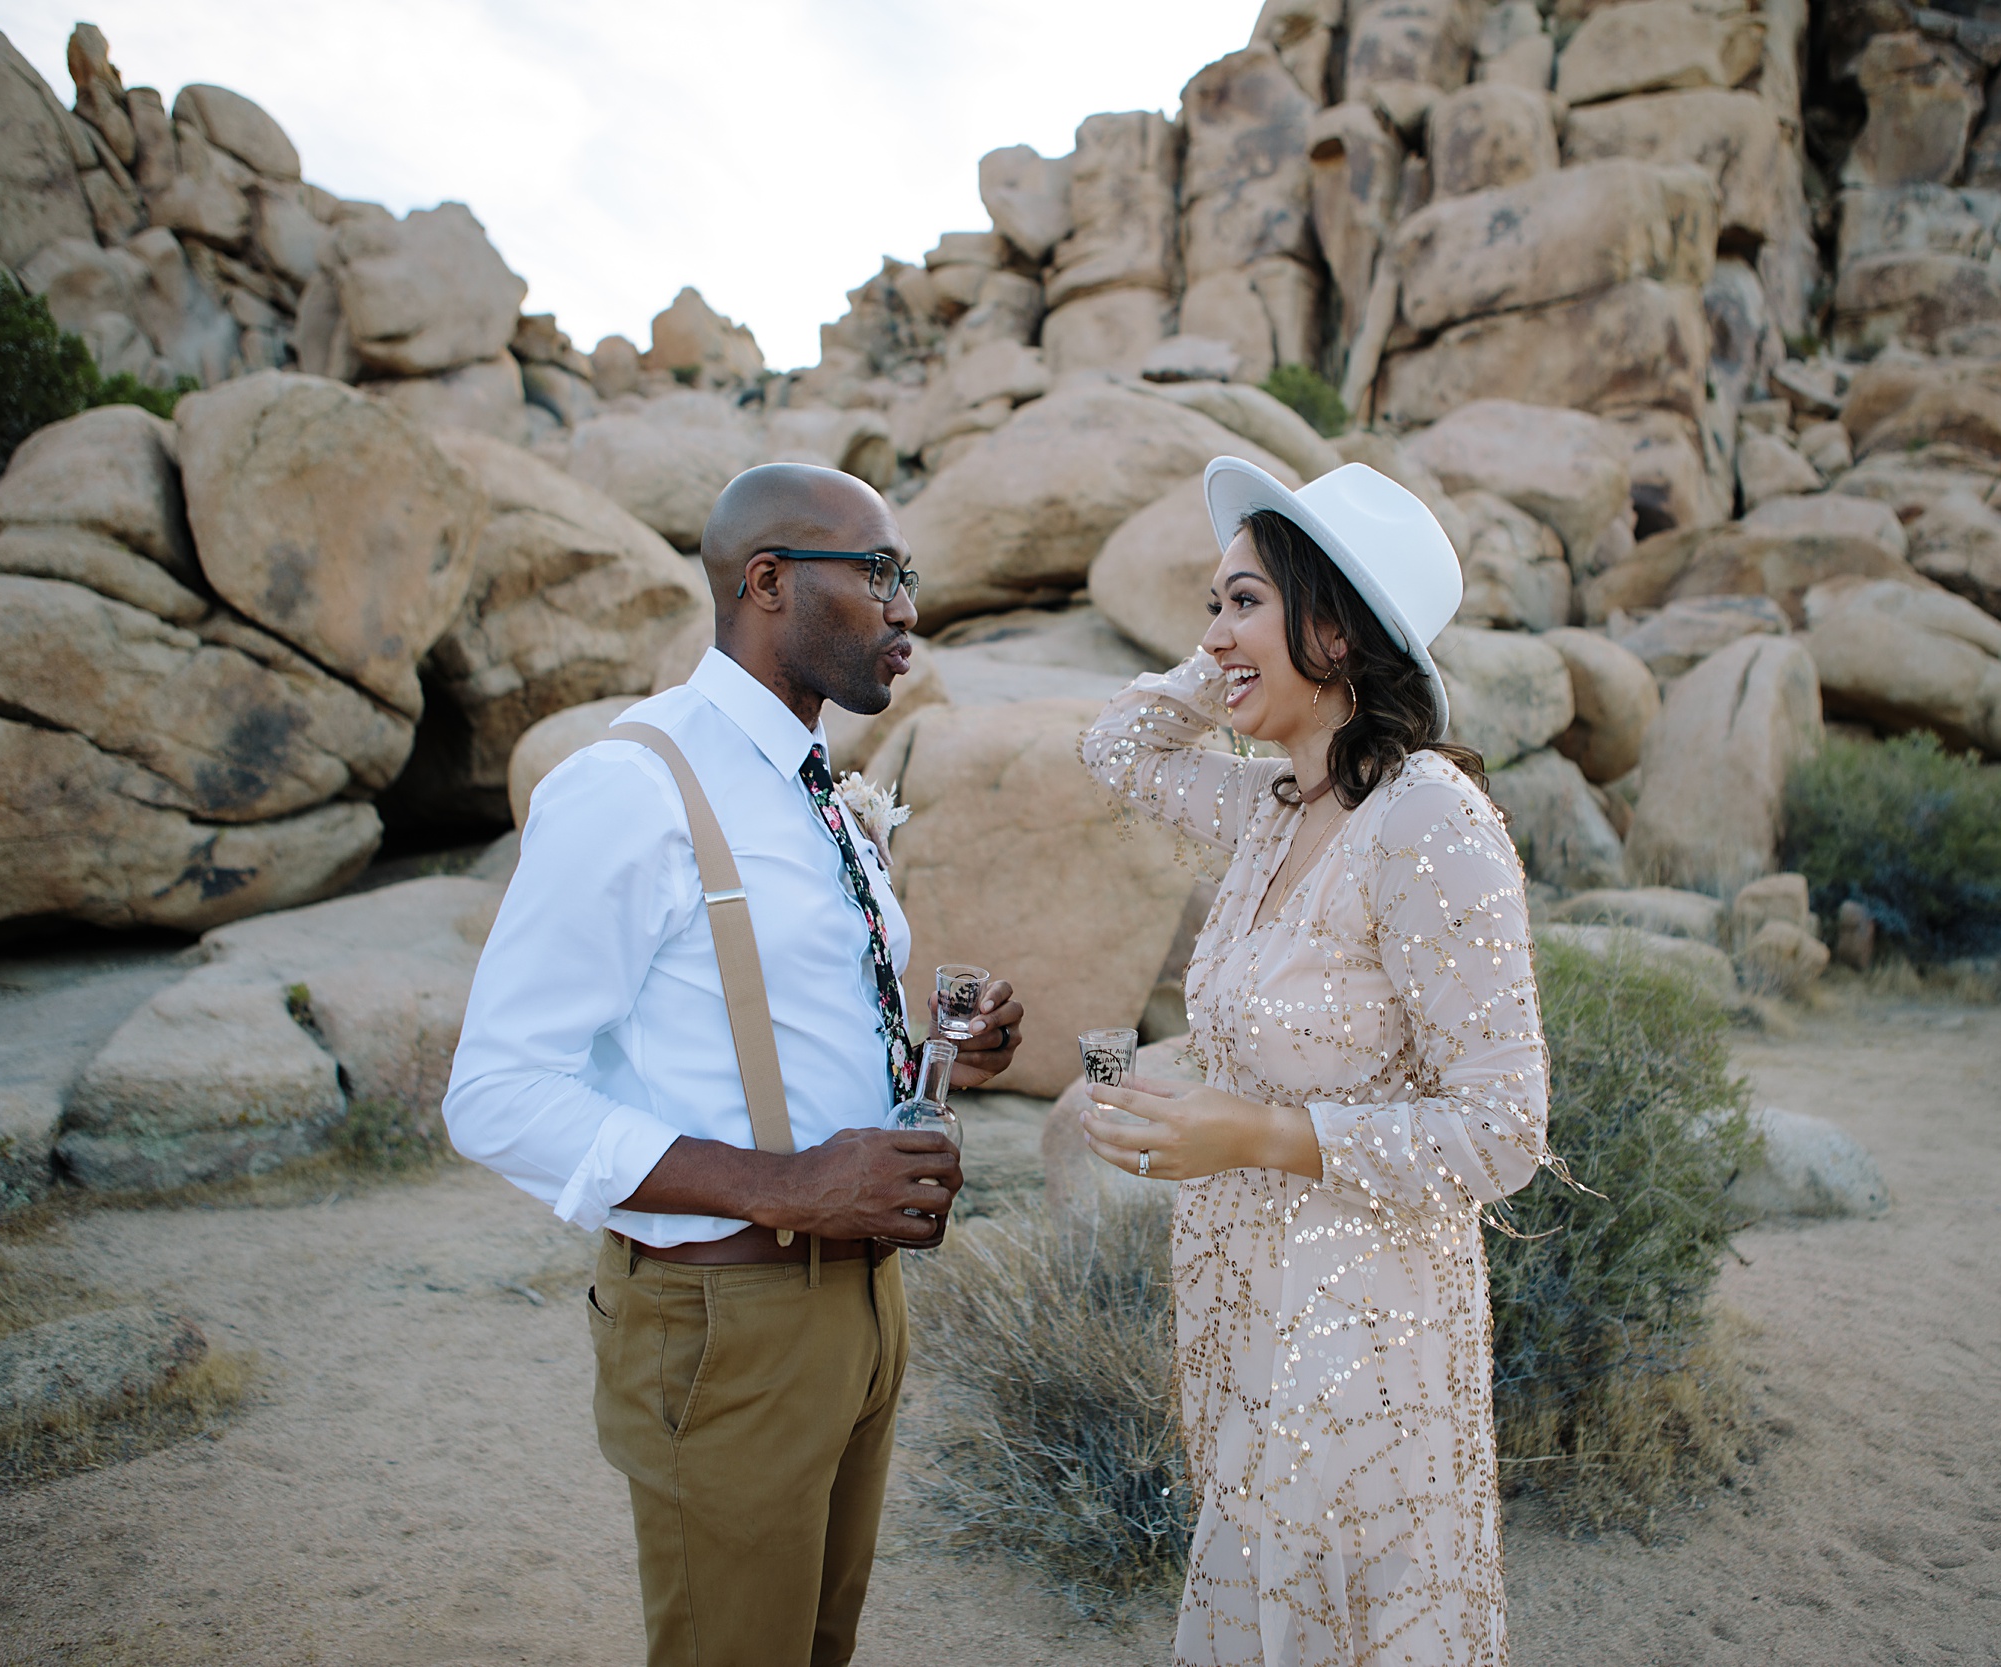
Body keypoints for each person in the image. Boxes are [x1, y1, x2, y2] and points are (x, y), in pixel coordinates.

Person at [445, 462, 1025, 1667]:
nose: (907, 605)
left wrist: (936, 1062)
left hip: (862, 1308)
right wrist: (784, 1185)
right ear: (766, 582)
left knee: (816, 1646)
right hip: (725, 1314)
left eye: (906, 574)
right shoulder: (630, 785)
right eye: (879, 573)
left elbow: (763, 1028)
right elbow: (496, 1093)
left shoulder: (820, 790)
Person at [1078, 458, 1567, 1667]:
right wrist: (1243, 651)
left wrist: (1249, 1134)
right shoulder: (1270, 810)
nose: (1212, 631)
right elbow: (1120, 743)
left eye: (1241, 600)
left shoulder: (1430, 822)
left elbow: (1504, 1128)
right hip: (1243, 1290)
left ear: (1337, 627)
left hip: (1367, 1320)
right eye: (1210, 604)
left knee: (1338, 1614)